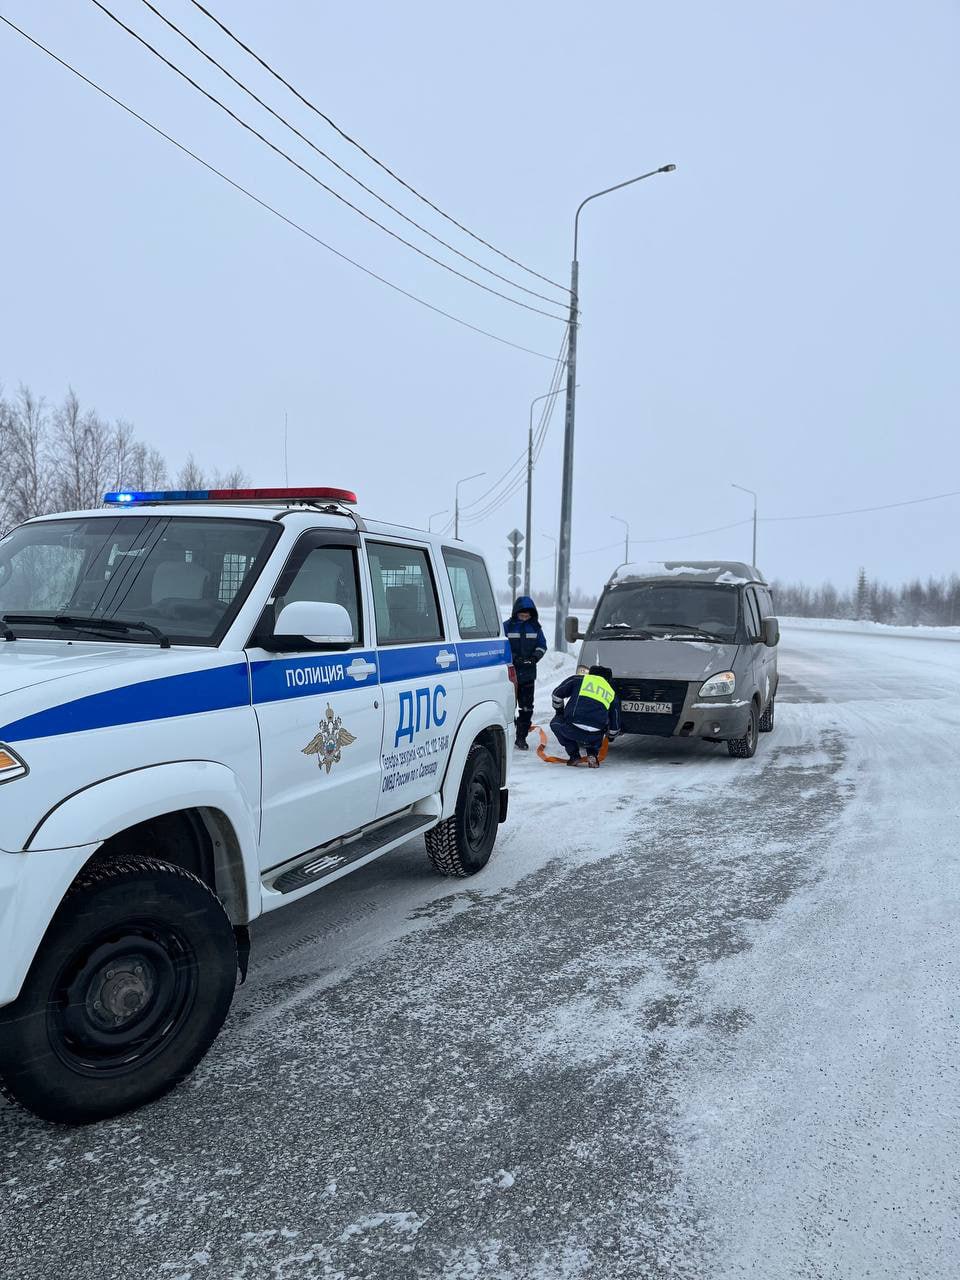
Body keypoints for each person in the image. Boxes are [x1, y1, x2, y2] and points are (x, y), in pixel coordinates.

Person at [550, 664, 621, 768]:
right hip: (595, 735)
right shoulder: (611, 693)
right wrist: (610, 736)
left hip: (572, 729)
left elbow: (556, 695)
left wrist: (560, 712)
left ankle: (574, 755)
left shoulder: (578, 679)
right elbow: (615, 721)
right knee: (597, 730)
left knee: (554, 723)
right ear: (608, 679)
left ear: (590, 673)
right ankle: (592, 754)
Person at [503, 594, 548, 749]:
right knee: (508, 706)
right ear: (516, 613)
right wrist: (515, 659)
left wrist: (534, 658)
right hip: (510, 675)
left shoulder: (536, 627)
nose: (524, 618)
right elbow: (502, 646)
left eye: (527, 615)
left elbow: (542, 645)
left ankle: (521, 737)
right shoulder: (506, 626)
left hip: (528, 674)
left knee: (527, 707)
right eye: (521, 615)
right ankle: (507, 733)